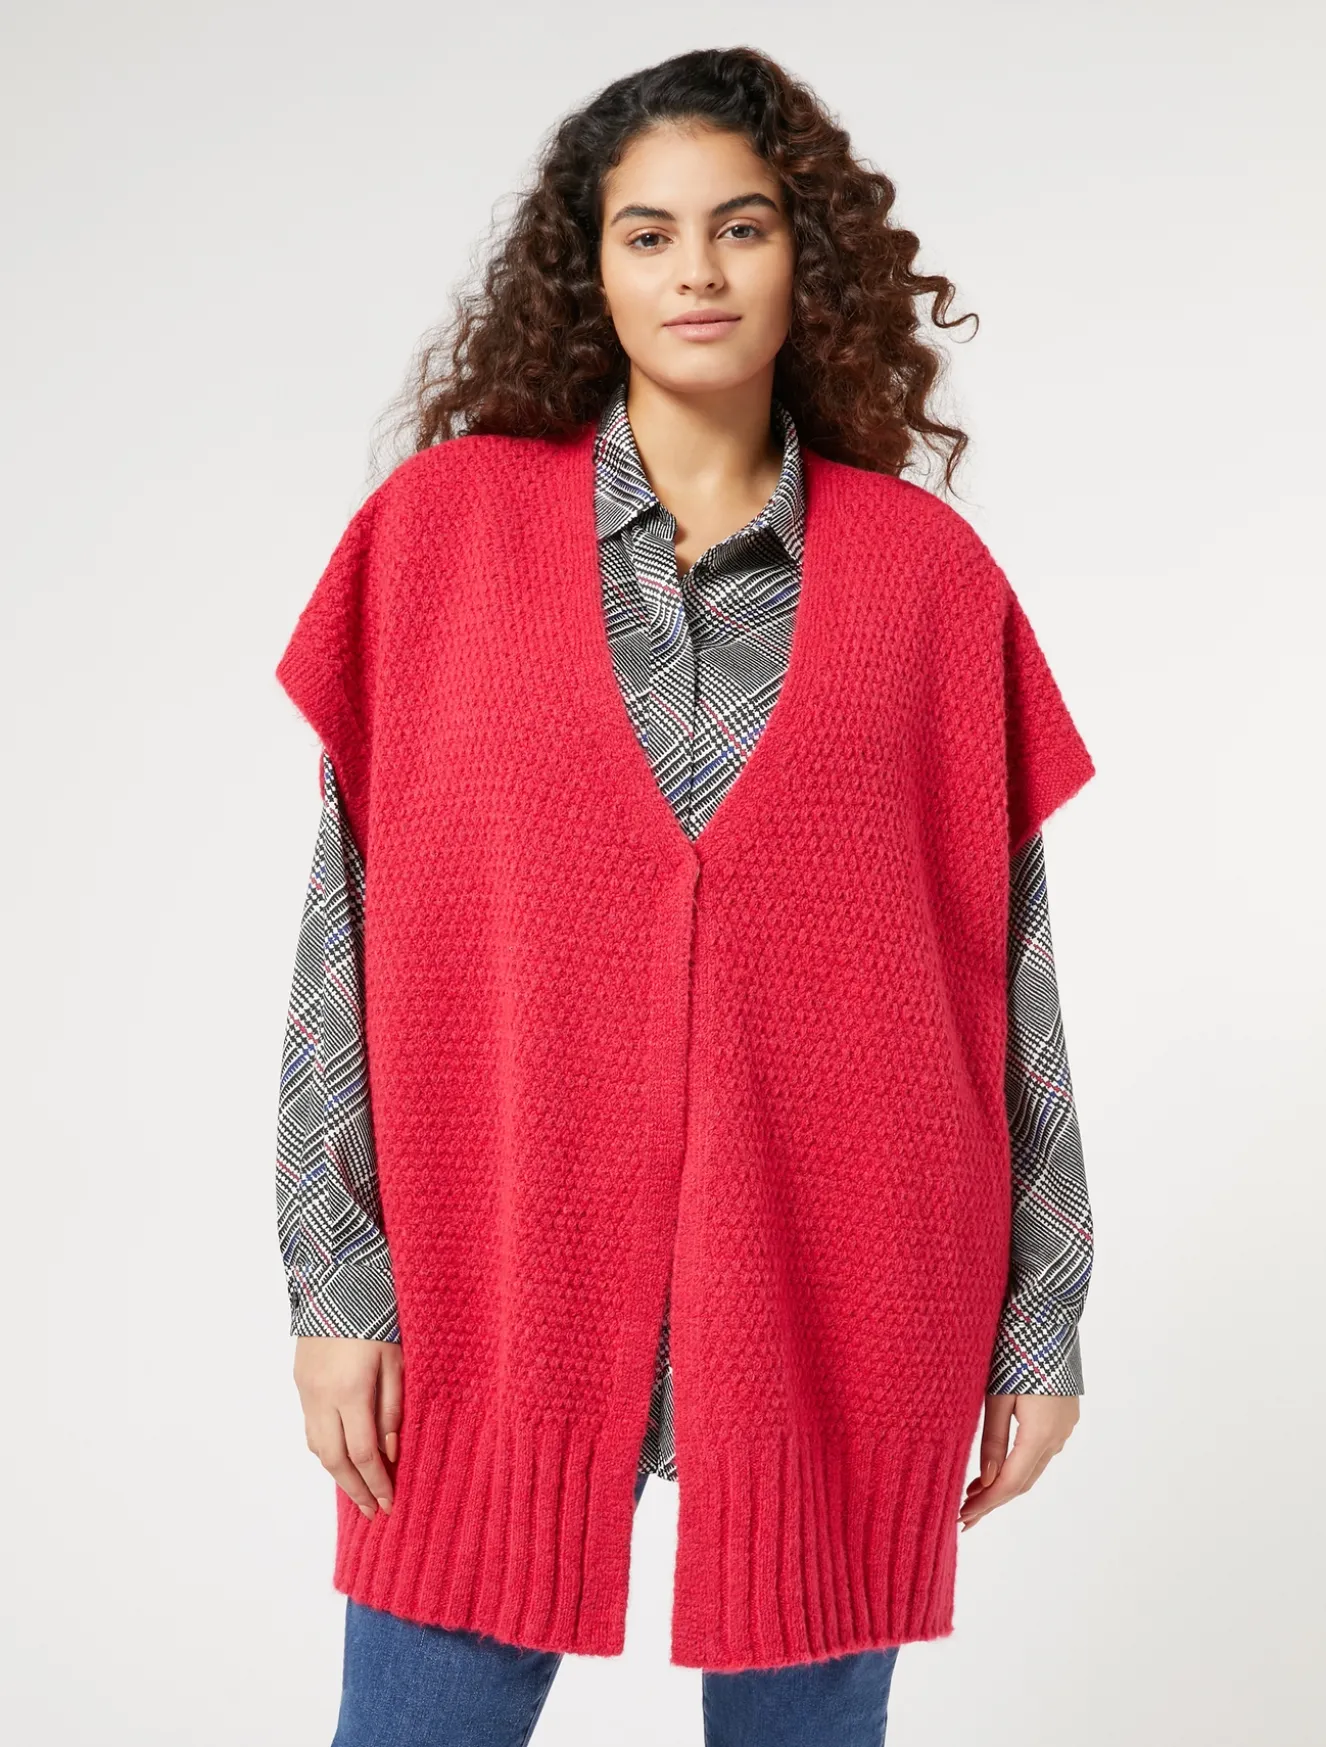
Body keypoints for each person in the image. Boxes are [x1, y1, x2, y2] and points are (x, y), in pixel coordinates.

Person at [274, 45, 1097, 1747]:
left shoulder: (927, 580)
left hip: (851, 1275)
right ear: (589, 268)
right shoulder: (438, 538)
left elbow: (1006, 971)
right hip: (495, 1266)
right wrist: (337, 1282)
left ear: (809, 258)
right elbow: (340, 938)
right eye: (646, 234)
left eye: (741, 226)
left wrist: (1040, 1317)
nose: (696, 271)